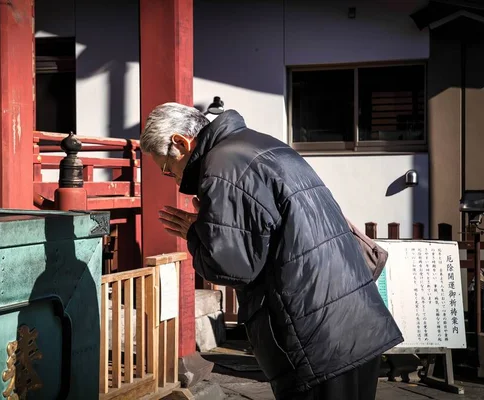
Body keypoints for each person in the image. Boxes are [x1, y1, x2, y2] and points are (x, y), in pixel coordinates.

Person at [140, 102, 404, 400]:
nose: (174, 179)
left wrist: (195, 235)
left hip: (314, 335)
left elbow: (229, 266)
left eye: (166, 168)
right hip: (354, 316)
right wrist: (210, 226)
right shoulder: (261, 145)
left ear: (180, 142)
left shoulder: (221, 166)